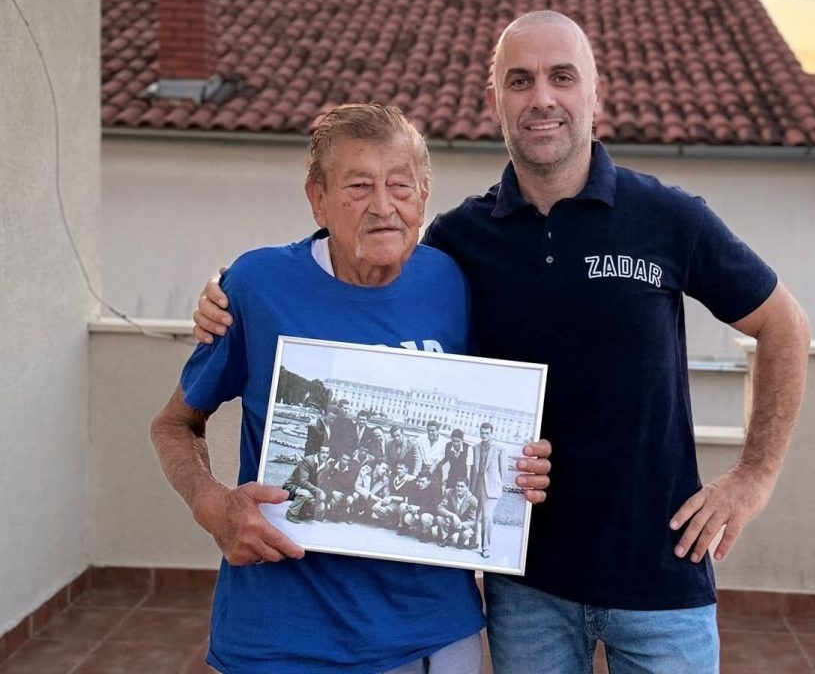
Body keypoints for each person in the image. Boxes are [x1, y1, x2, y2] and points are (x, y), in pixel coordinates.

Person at [193, 11, 810, 674]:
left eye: (561, 78)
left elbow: (784, 326)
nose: (542, 98)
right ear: (496, 102)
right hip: (526, 586)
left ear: (594, 95)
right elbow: (367, 280)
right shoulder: (458, 242)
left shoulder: (667, 218)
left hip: (660, 579)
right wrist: (231, 295)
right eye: (520, 81)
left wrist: (754, 477)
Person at [152, 103, 551, 674]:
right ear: (317, 198)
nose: (383, 206)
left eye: (400, 186)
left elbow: (500, 409)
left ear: (424, 194)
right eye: (358, 186)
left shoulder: (454, 282)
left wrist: (522, 466)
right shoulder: (257, 286)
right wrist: (212, 505)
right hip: (280, 639)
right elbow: (173, 424)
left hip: (433, 639)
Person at [470, 422, 506, 559]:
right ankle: (473, 541)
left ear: (492, 434)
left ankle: (486, 547)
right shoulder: (475, 447)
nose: (484, 435)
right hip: (476, 486)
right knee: (474, 515)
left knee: (487, 517)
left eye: (487, 433)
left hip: (491, 489)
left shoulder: (500, 449)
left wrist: (498, 487)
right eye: (482, 432)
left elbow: (503, 471)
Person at [282, 444, 331, 523]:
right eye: (323, 452)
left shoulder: (326, 467)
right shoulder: (308, 460)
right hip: (293, 486)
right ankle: (291, 513)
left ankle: (302, 512)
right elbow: (303, 482)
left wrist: (323, 495)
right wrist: (319, 491)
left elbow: (321, 483)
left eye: (327, 453)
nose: (325, 455)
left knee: (320, 509)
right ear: (318, 452)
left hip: (309, 489)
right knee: (305, 493)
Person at [437, 480, 479, 549]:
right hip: (451, 521)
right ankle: (446, 538)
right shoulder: (448, 492)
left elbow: (472, 521)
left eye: (462, 486)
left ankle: (460, 542)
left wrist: (462, 524)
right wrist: (452, 515)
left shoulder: (472, 500)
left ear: (467, 488)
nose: (459, 488)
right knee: (440, 519)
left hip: (462, 524)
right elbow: (440, 507)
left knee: (467, 533)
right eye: (458, 486)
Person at [434, 427, 474, 492]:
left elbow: (468, 468)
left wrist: (467, 484)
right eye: (453, 441)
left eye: (458, 441)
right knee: (447, 495)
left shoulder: (468, 448)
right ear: (451, 439)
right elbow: (439, 461)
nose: (455, 444)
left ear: (462, 440)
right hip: (451, 477)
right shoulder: (448, 446)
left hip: (462, 479)